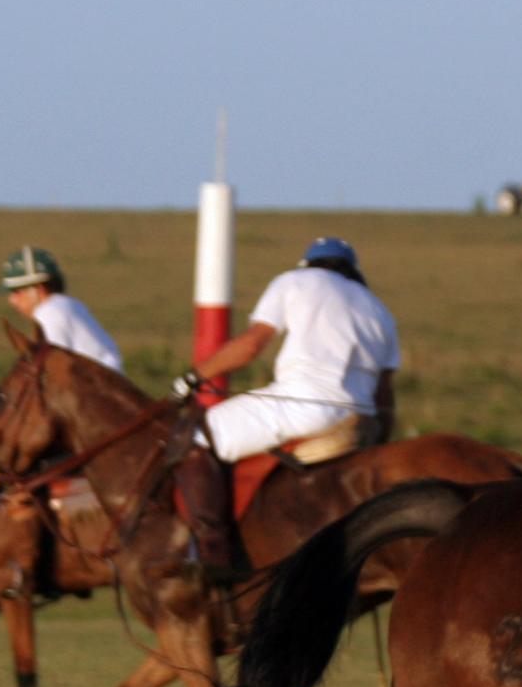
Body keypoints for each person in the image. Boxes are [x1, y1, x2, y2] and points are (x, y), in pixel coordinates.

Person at [169, 237, 402, 578]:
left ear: (309, 264)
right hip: (360, 417)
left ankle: (210, 550)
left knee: (197, 435)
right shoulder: (379, 310)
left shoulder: (293, 281)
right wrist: (381, 440)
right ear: (353, 271)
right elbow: (384, 395)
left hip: (303, 407)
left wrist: (191, 379)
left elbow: (251, 345)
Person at [0, 246, 123, 371]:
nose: (12, 301)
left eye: (17, 292)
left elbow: (55, 370)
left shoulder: (50, 313)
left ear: (38, 288)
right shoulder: (69, 305)